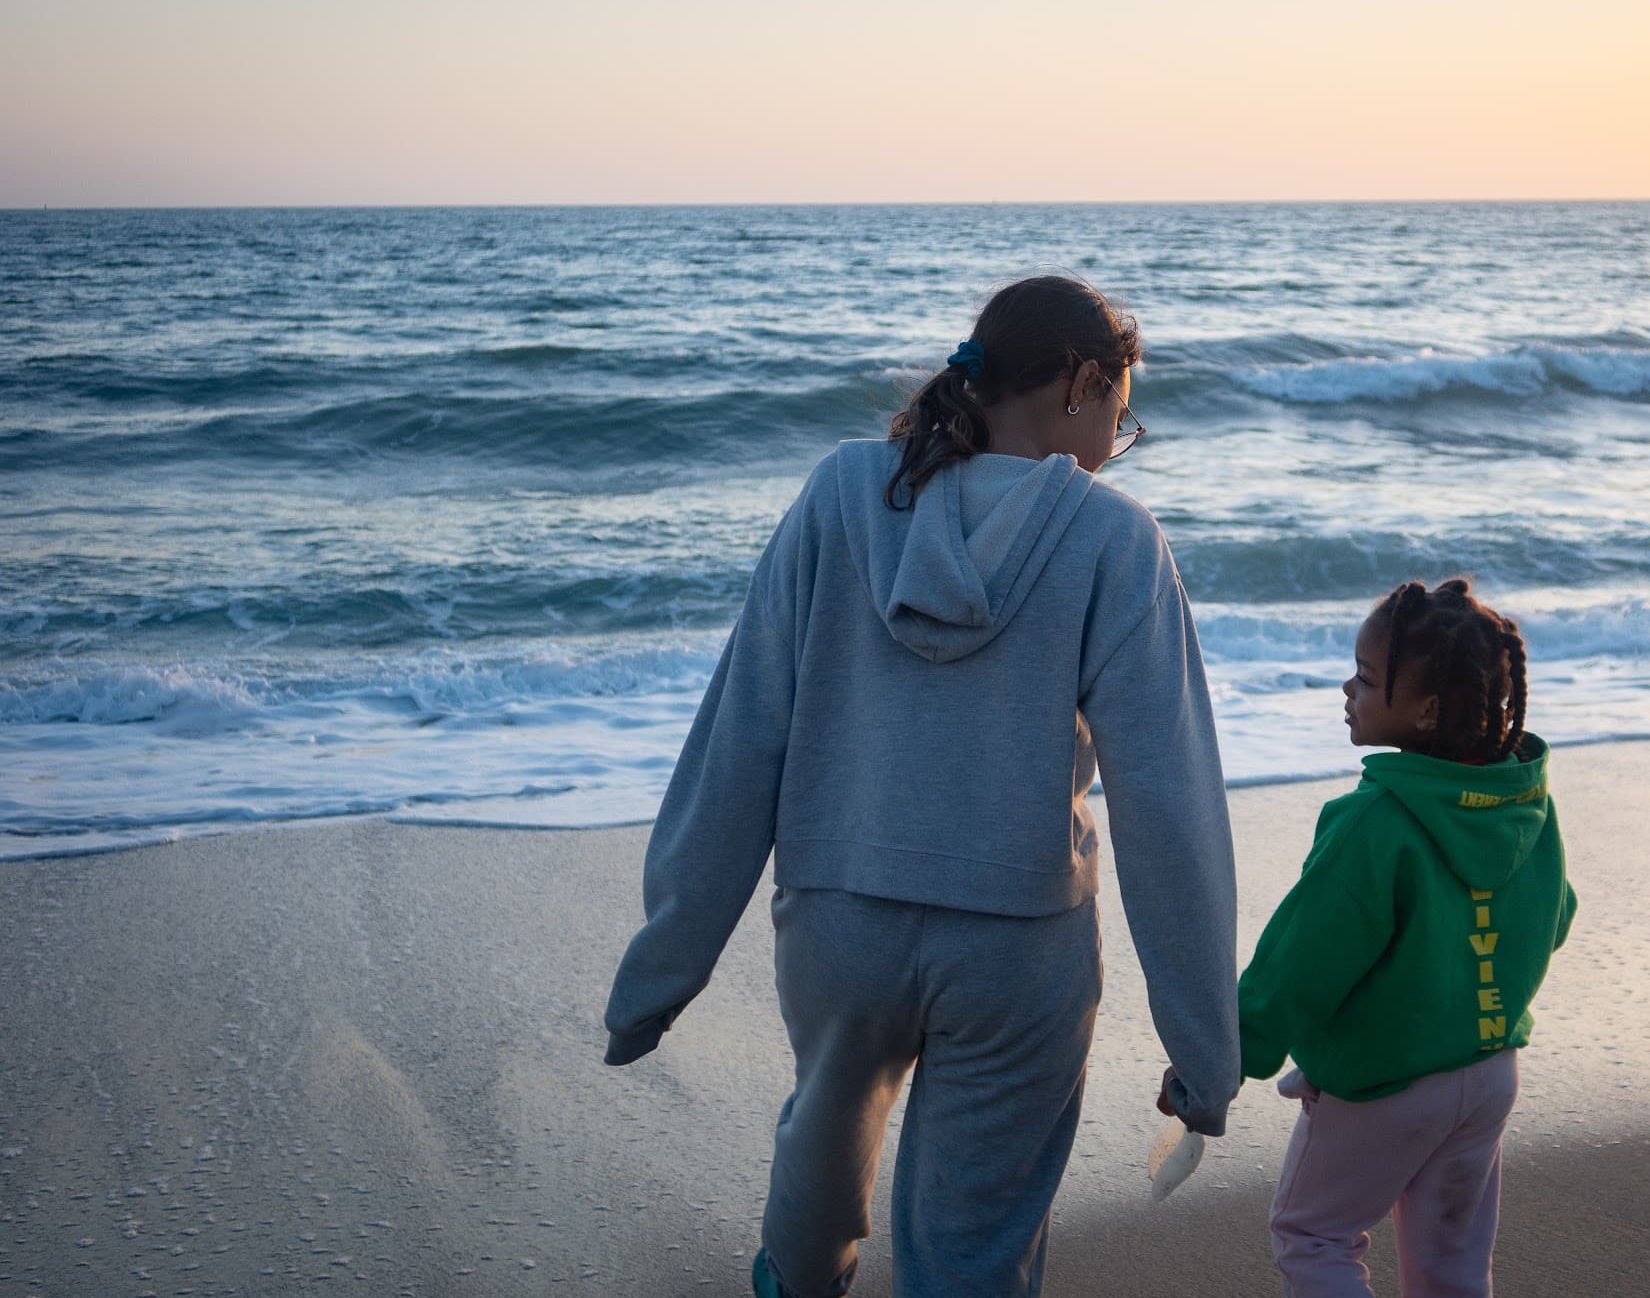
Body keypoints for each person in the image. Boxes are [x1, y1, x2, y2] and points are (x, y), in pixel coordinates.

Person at [602, 275, 1239, 1298]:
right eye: (1120, 418)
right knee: (974, 1242)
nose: (1114, 443)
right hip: (1017, 947)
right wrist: (1205, 1047)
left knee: (824, 1128)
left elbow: (741, 733)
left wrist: (659, 973)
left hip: (839, 921)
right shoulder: (1114, 540)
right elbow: (1169, 806)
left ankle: (801, 1275)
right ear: (1082, 383)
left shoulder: (840, 494)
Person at [1237, 578, 1575, 1297]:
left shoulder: (1374, 822)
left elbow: (1302, 960)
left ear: (1423, 709)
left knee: (1314, 1235)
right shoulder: (1525, 807)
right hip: (1488, 1072)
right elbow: (1558, 917)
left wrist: (1230, 1054)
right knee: (1451, 1265)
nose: (1346, 689)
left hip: (1384, 1085)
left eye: (1364, 678)